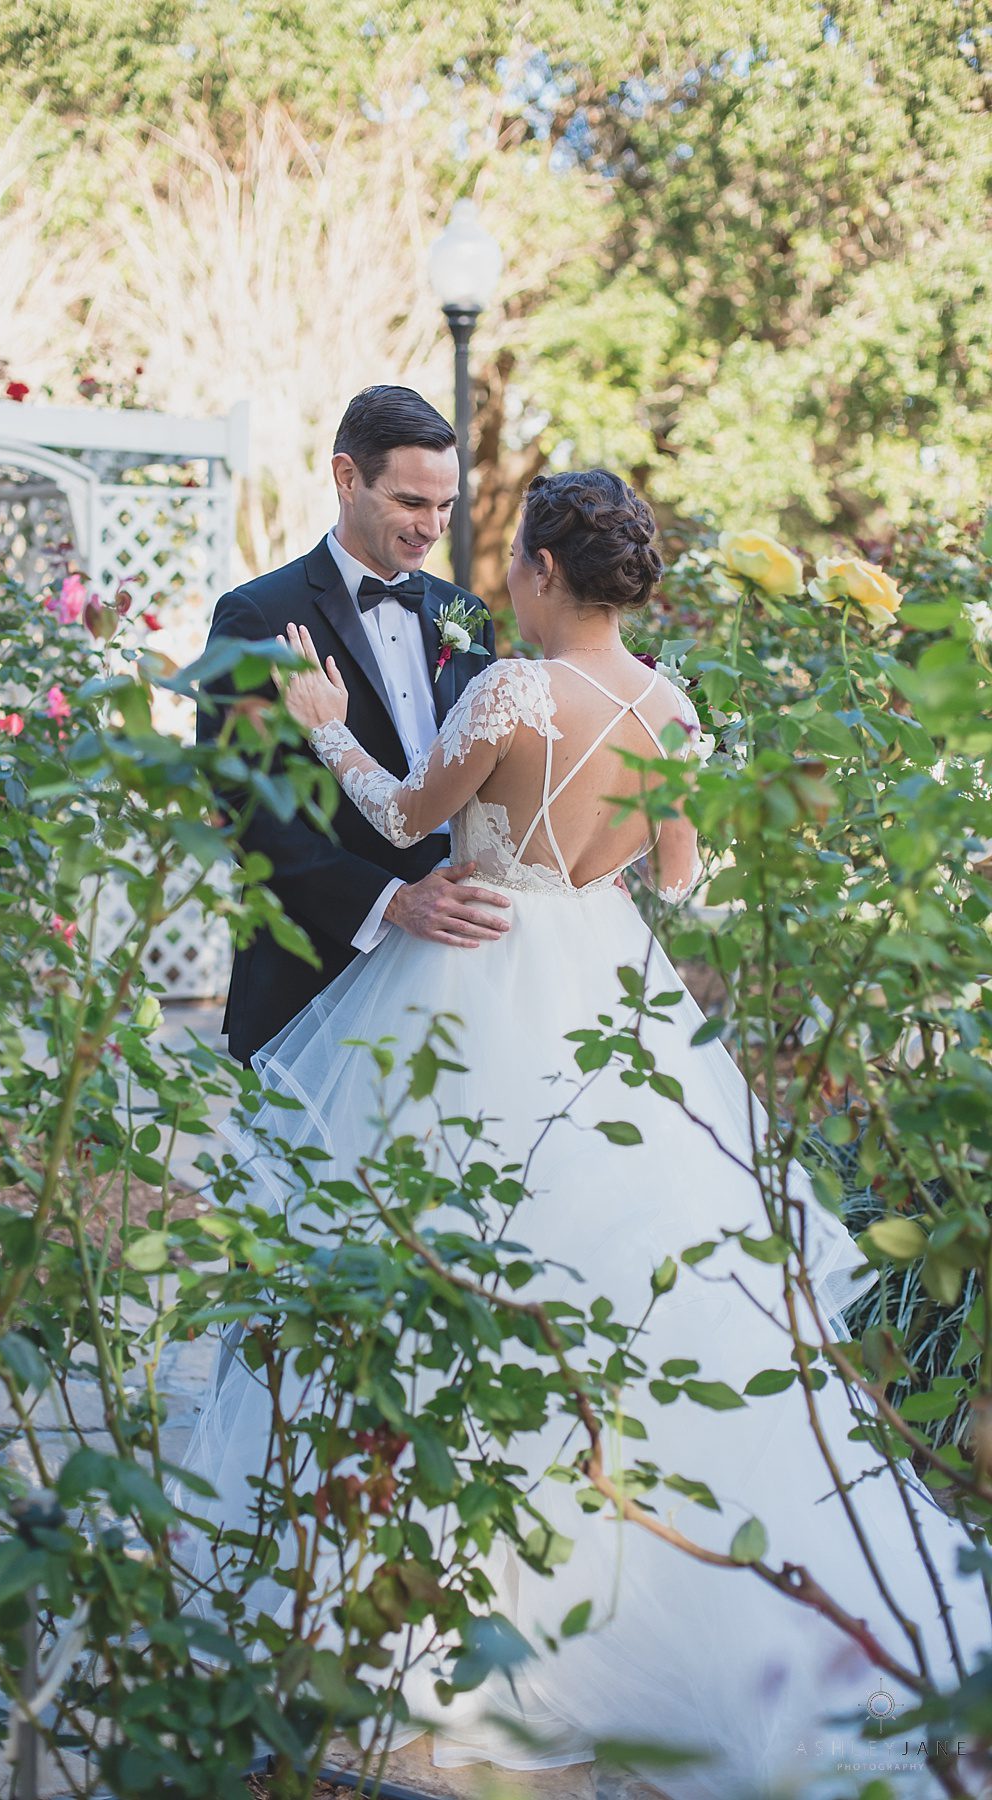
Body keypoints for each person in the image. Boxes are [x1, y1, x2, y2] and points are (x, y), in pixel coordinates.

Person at [175, 470, 988, 1797]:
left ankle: (420, 1597)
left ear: (545, 569)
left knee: (443, 1258)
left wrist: (326, 723)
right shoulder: (672, 704)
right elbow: (682, 878)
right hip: (611, 991)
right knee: (634, 1283)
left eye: (518, 565)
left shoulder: (509, 689)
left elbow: (400, 821)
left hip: (477, 973)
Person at [197, 383, 502, 1066]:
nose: (431, 527)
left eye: (446, 506)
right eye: (411, 501)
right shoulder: (256, 615)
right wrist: (391, 902)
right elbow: (239, 803)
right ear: (346, 477)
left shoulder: (468, 615)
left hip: (457, 971)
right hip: (313, 976)